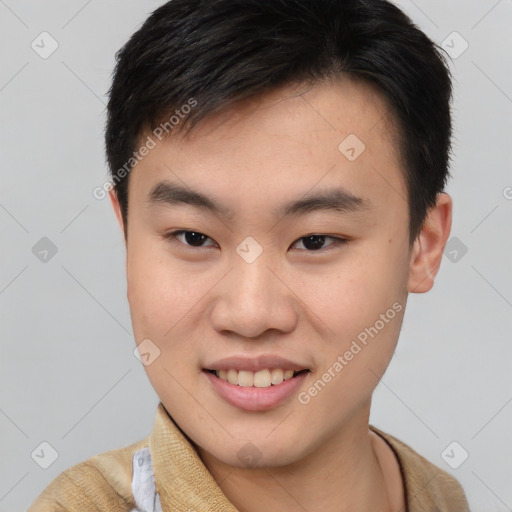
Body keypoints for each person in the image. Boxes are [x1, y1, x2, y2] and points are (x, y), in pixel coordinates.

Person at [29, 0, 470, 510]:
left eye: (315, 241)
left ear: (425, 244)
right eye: (194, 238)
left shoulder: (440, 495)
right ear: (128, 235)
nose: (250, 313)